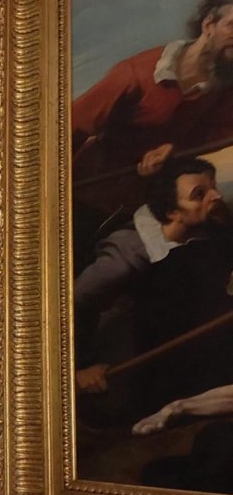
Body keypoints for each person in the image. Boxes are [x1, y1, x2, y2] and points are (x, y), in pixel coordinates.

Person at [72, 0, 233, 265]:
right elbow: (65, 132)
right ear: (209, 25)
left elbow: (216, 133)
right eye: (232, 26)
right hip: (85, 194)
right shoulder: (135, 74)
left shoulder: (221, 89)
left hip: (143, 207)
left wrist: (173, 149)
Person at [74, 157, 231, 397]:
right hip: (127, 348)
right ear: (172, 212)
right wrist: (83, 365)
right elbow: (73, 304)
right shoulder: (123, 261)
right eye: (199, 194)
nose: (216, 196)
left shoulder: (199, 225)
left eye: (214, 187)